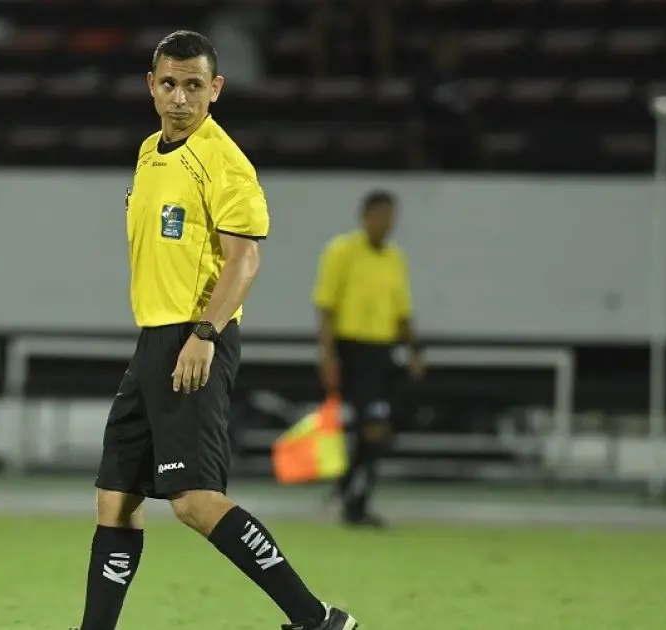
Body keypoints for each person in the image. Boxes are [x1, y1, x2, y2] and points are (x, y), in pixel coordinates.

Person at [71, 31, 359, 630]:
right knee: (116, 500)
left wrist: (205, 334)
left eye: (194, 86)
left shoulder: (224, 162)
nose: (180, 97)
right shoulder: (151, 152)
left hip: (195, 340)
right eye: (169, 84)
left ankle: (317, 620)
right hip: (153, 341)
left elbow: (243, 259)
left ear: (215, 90)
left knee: (196, 503)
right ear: (152, 86)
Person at [312, 190, 424, 529]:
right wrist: (328, 354)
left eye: (391, 217)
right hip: (354, 351)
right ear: (365, 217)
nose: (387, 223)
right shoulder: (342, 252)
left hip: (383, 351)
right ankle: (355, 503)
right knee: (374, 427)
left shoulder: (395, 258)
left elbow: (402, 312)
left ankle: (347, 489)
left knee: (378, 428)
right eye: (381, 216)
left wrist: (415, 350)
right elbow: (326, 307)